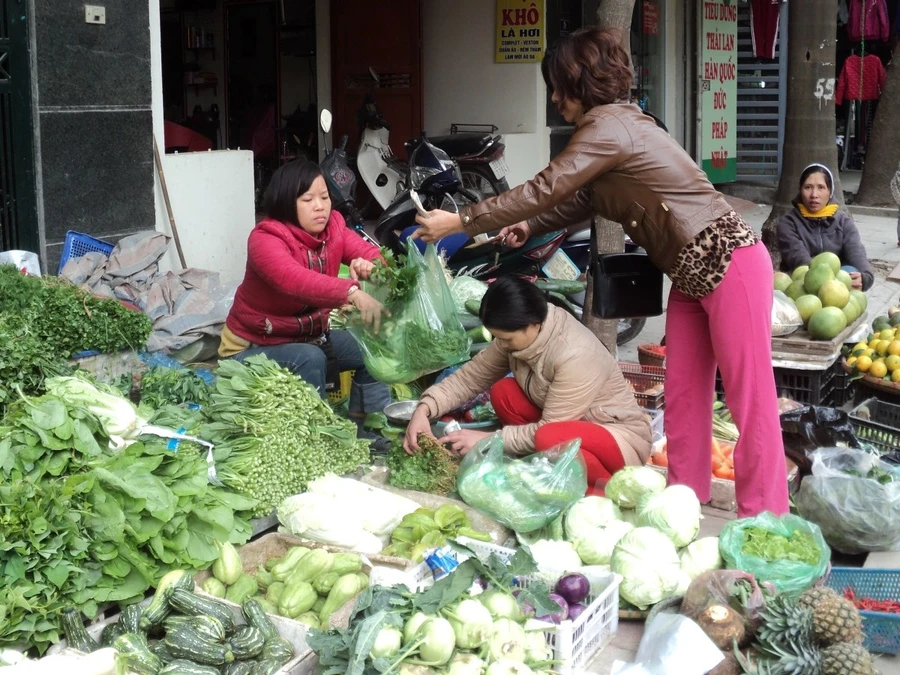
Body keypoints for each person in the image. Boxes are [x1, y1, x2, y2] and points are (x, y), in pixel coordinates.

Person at [410, 27, 789, 518]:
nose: (553, 98)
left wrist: (463, 220)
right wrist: (530, 225)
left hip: (730, 264)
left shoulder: (609, 126)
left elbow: (548, 186)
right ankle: (684, 500)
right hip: (689, 275)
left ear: (579, 82)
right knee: (683, 396)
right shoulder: (618, 128)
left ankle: (765, 516)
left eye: (557, 86)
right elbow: (585, 199)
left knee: (749, 401)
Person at [404, 276, 651, 495]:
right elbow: (470, 378)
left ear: (533, 324)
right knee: (504, 393)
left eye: (506, 339)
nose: (502, 344)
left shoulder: (575, 354)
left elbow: (552, 429)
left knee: (548, 438)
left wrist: (487, 440)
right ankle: (542, 467)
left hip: (618, 441)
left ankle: (601, 490)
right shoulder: (520, 331)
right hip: (569, 425)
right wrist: (424, 410)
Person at [218, 160, 392, 438]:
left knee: (374, 343)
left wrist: (372, 267)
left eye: (324, 197)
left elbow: (371, 253)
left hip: (310, 338)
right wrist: (352, 291)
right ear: (287, 202)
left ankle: (362, 428)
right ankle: (315, 437)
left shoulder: (333, 228)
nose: (320, 206)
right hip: (251, 347)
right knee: (310, 358)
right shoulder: (265, 239)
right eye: (307, 199)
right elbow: (295, 281)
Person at [777, 163, 874, 291]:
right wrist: (825, 283)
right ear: (800, 190)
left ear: (830, 192)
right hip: (801, 284)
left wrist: (865, 276)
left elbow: (855, 250)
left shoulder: (844, 223)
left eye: (821, 187)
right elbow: (799, 258)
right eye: (808, 187)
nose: (814, 195)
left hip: (836, 288)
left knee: (851, 272)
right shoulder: (788, 223)